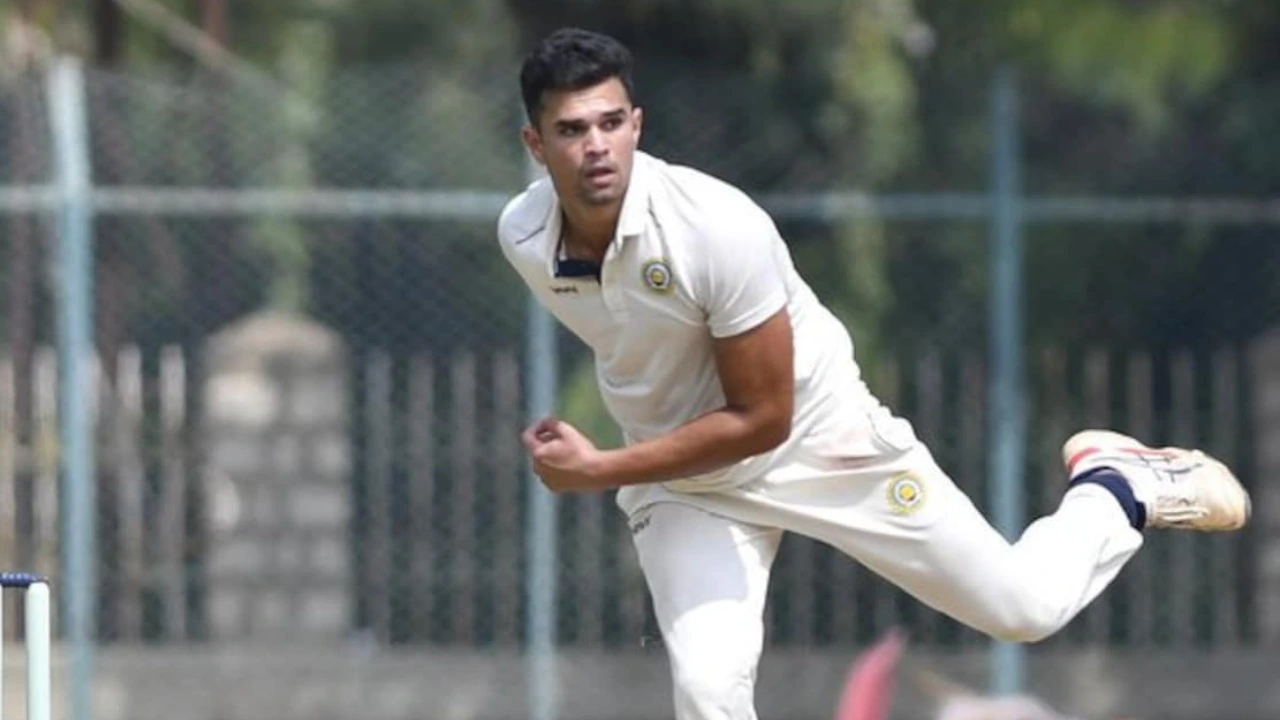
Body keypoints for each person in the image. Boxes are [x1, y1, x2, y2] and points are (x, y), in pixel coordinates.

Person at [496, 26, 1252, 720]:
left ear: (637, 124)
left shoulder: (716, 229)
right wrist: (633, 457)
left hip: (817, 441)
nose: (596, 147)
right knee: (706, 690)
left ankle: (1117, 487)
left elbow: (764, 418)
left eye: (610, 123)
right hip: (687, 482)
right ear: (536, 143)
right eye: (571, 130)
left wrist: (602, 468)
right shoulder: (525, 237)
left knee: (1023, 609)